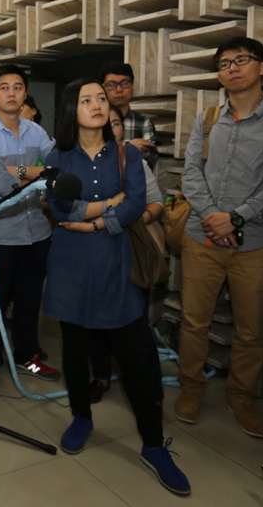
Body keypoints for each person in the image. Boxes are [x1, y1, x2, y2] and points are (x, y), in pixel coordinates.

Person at [44, 78, 191, 496]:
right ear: (71, 110)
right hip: (71, 266)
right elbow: (58, 206)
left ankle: (153, 444)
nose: (97, 105)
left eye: (101, 99)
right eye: (86, 100)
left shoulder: (127, 154)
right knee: (75, 351)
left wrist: (93, 222)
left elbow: (136, 204)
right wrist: (109, 204)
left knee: (137, 360)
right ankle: (81, 418)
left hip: (116, 264)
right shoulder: (57, 156)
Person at [175, 37, 263, 439]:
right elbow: (191, 173)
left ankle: (241, 397)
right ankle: (191, 388)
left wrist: (236, 219)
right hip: (202, 239)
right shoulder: (208, 119)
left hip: (256, 245)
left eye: (242, 60)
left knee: (251, 330)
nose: (233, 68)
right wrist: (214, 218)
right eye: (225, 63)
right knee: (194, 323)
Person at [0, 64, 59, 394]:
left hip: (37, 232)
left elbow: (56, 169)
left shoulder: (37, 132)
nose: (11, 93)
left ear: (25, 93)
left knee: (29, 301)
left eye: (18, 87)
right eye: (4, 87)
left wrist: (19, 170)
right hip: (0, 234)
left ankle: (26, 355)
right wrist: (35, 173)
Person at [87, 106, 166, 404]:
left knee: (135, 324)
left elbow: (157, 203)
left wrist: (135, 218)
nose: (111, 127)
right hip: (92, 252)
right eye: (104, 121)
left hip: (129, 251)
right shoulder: (77, 162)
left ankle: (150, 391)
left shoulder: (134, 161)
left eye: (116, 122)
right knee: (94, 321)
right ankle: (101, 376)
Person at [99, 61, 158, 170]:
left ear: (132, 86)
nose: (119, 89)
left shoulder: (144, 122)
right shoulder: (96, 120)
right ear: (103, 88)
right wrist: (127, 148)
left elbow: (147, 165)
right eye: (111, 85)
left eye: (125, 83)